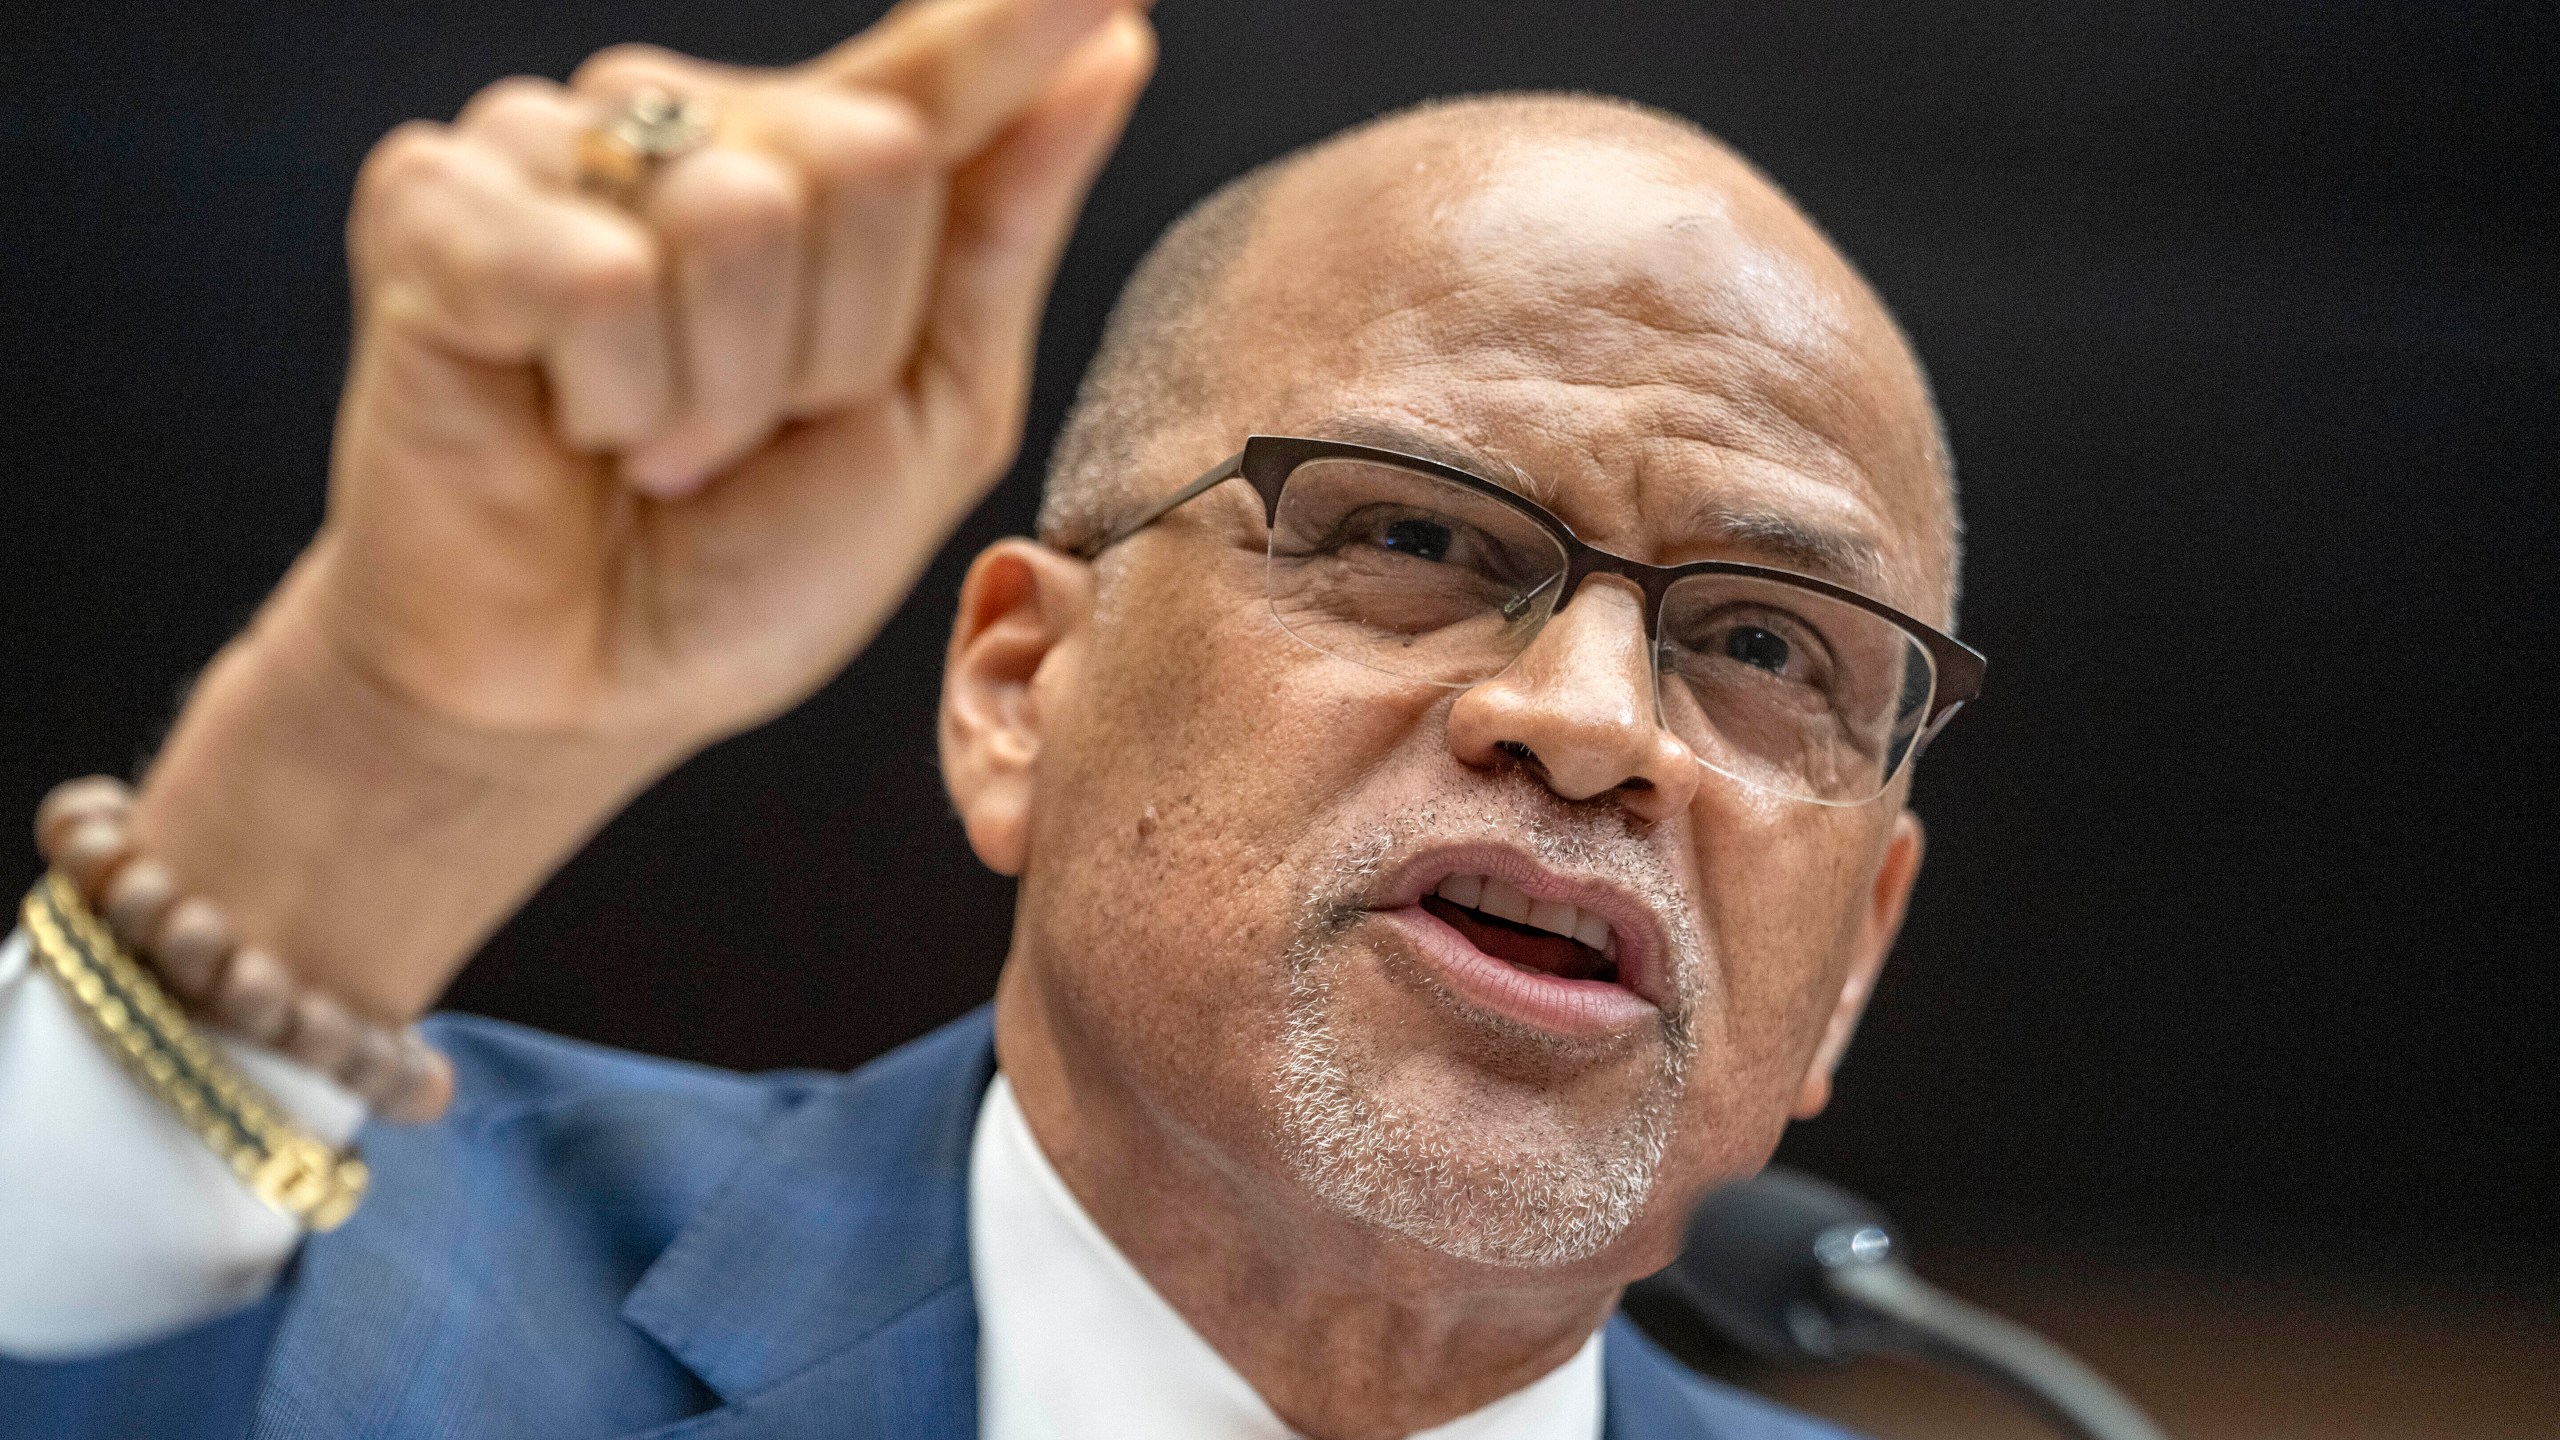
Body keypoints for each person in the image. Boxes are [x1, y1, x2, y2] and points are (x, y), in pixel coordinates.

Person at [0, 0, 1984, 1434]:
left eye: (1764, 649)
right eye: (1412, 532)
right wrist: (371, 745)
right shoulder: (365, 1292)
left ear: (1852, 964)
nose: (1587, 725)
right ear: (1017, 694)